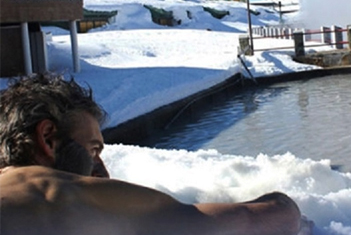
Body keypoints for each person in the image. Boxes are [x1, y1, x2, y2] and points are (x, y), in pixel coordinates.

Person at [0, 73, 303, 234]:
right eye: (93, 150)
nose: (101, 170)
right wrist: (281, 203)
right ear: (49, 138)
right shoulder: (60, 196)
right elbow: (262, 221)